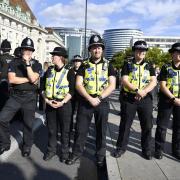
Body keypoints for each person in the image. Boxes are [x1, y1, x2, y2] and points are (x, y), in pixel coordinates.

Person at [66, 34, 116, 167]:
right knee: (80, 130)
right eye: (94, 48)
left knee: (101, 131)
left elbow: (112, 85)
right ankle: (76, 154)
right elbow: (78, 84)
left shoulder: (108, 65)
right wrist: (89, 98)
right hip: (86, 102)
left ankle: (100, 156)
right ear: (90, 50)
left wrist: (98, 98)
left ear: (102, 49)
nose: (97, 50)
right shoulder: (84, 65)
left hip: (102, 102)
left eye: (99, 47)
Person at [113, 40, 156, 160]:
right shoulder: (127, 64)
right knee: (125, 124)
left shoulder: (149, 64)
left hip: (145, 99)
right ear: (135, 51)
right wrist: (138, 90)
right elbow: (125, 80)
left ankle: (146, 149)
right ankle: (121, 148)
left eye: (144, 50)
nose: (141, 52)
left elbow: (153, 81)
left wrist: (144, 92)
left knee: (147, 125)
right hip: (130, 98)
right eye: (139, 50)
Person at [0, 37, 42, 157]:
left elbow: (35, 79)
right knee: (2, 118)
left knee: (28, 124)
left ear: (33, 51)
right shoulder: (14, 62)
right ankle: (4, 143)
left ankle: (27, 146)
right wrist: (29, 79)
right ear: (22, 50)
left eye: (30, 50)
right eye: (26, 49)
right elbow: (12, 79)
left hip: (30, 98)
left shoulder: (37, 64)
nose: (28, 52)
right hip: (15, 97)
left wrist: (28, 64)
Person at [42, 47, 75, 162]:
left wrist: (62, 102)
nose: (52, 57)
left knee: (65, 131)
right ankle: (51, 151)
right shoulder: (49, 71)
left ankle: (65, 153)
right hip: (50, 104)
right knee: (51, 130)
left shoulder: (69, 71)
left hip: (64, 105)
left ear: (60, 57)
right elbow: (42, 88)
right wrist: (47, 101)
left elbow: (72, 91)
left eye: (54, 55)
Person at [154, 42, 180, 160]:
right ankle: (159, 149)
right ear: (172, 54)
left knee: (178, 127)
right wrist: (173, 98)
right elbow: (163, 85)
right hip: (167, 100)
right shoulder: (166, 67)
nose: (178, 55)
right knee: (162, 126)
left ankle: (177, 150)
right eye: (176, 52)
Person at [70, 55, 83, 134]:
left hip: (81, 96)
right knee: (70, 113)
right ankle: (70, 128)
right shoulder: (70, 71)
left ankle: (79, 129)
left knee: (80, 114)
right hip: (72, 96)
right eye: (75, 61)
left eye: (78, 61)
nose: (77, 62)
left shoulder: (85, 70)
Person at [0, 39, 14, 110]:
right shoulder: (13, 58)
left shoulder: (1, 58)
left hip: (2, 82)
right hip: (12, 82)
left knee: (2, 100)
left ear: (2, 49)